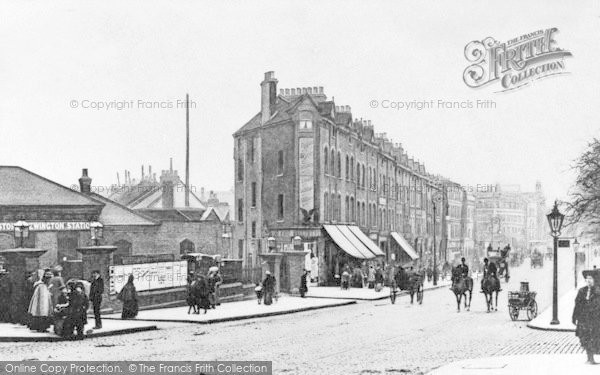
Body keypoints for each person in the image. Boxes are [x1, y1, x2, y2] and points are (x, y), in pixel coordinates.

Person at [572, 270, 600, 364]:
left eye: (590, 278)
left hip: (595, 319)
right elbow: (577, 304)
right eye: (587, 278)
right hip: (584, 320)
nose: (588, 280)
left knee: (595, 338)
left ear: (594, 280)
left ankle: (592, 358)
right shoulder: (582, 291)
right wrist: (574, 317)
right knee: (585, 338)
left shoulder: (598, 291)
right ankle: (590, 358)